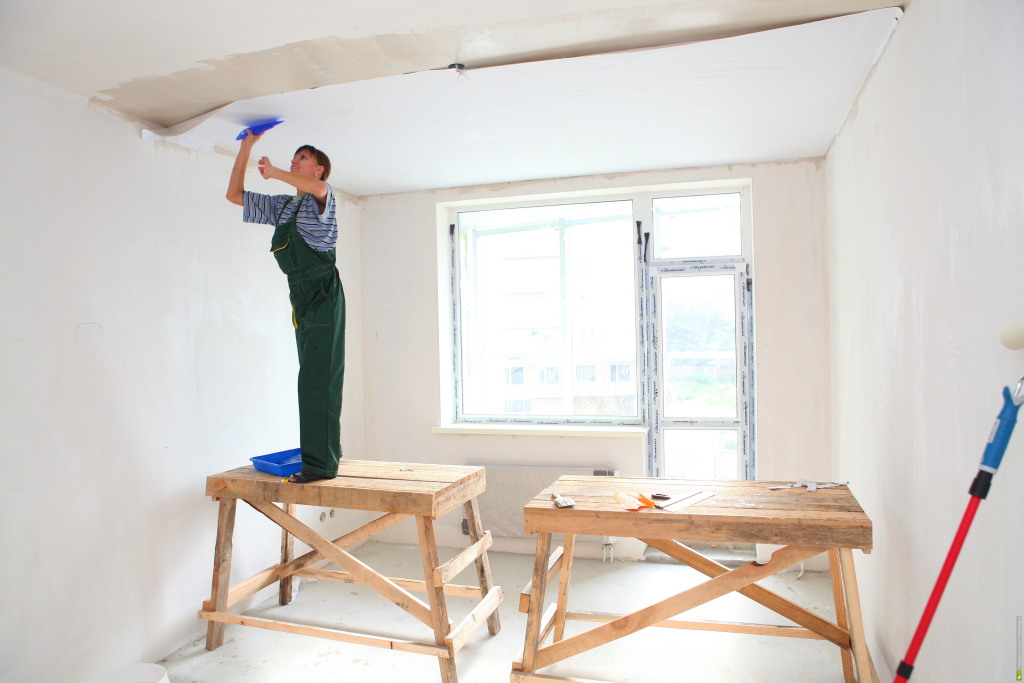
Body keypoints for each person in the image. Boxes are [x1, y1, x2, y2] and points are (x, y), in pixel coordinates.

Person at [226, 129, 345, 483]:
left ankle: (321, 465)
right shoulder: (285, 207)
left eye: (302, 158)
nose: (295, 161)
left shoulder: (323, 199)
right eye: (294, 158)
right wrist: (247, 148)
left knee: (317, 381)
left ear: (319, 169)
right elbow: (234, 195)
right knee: (310, 380)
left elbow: (317, 189)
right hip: (300, 299)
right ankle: (324, 453)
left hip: (323, 294)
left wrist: (275, 171)